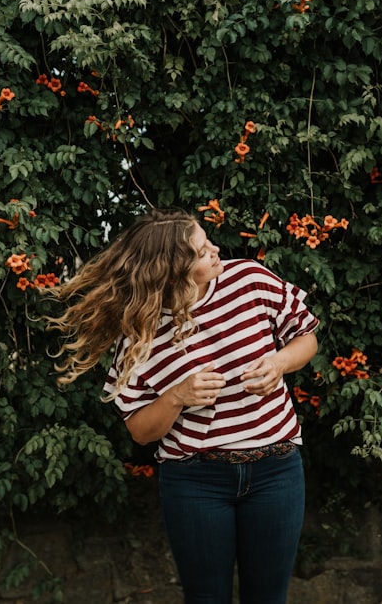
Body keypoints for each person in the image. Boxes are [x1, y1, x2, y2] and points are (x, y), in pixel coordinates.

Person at [47, 208, 319, 604]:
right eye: (200, 250)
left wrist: (279, 363)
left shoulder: (249, 279)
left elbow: (306, 337)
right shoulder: (140, 331)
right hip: (196, 482)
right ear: (171, 268)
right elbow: (140, 431)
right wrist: (177, 396)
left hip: (276, 470)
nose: (215, 250)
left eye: (207, 240)